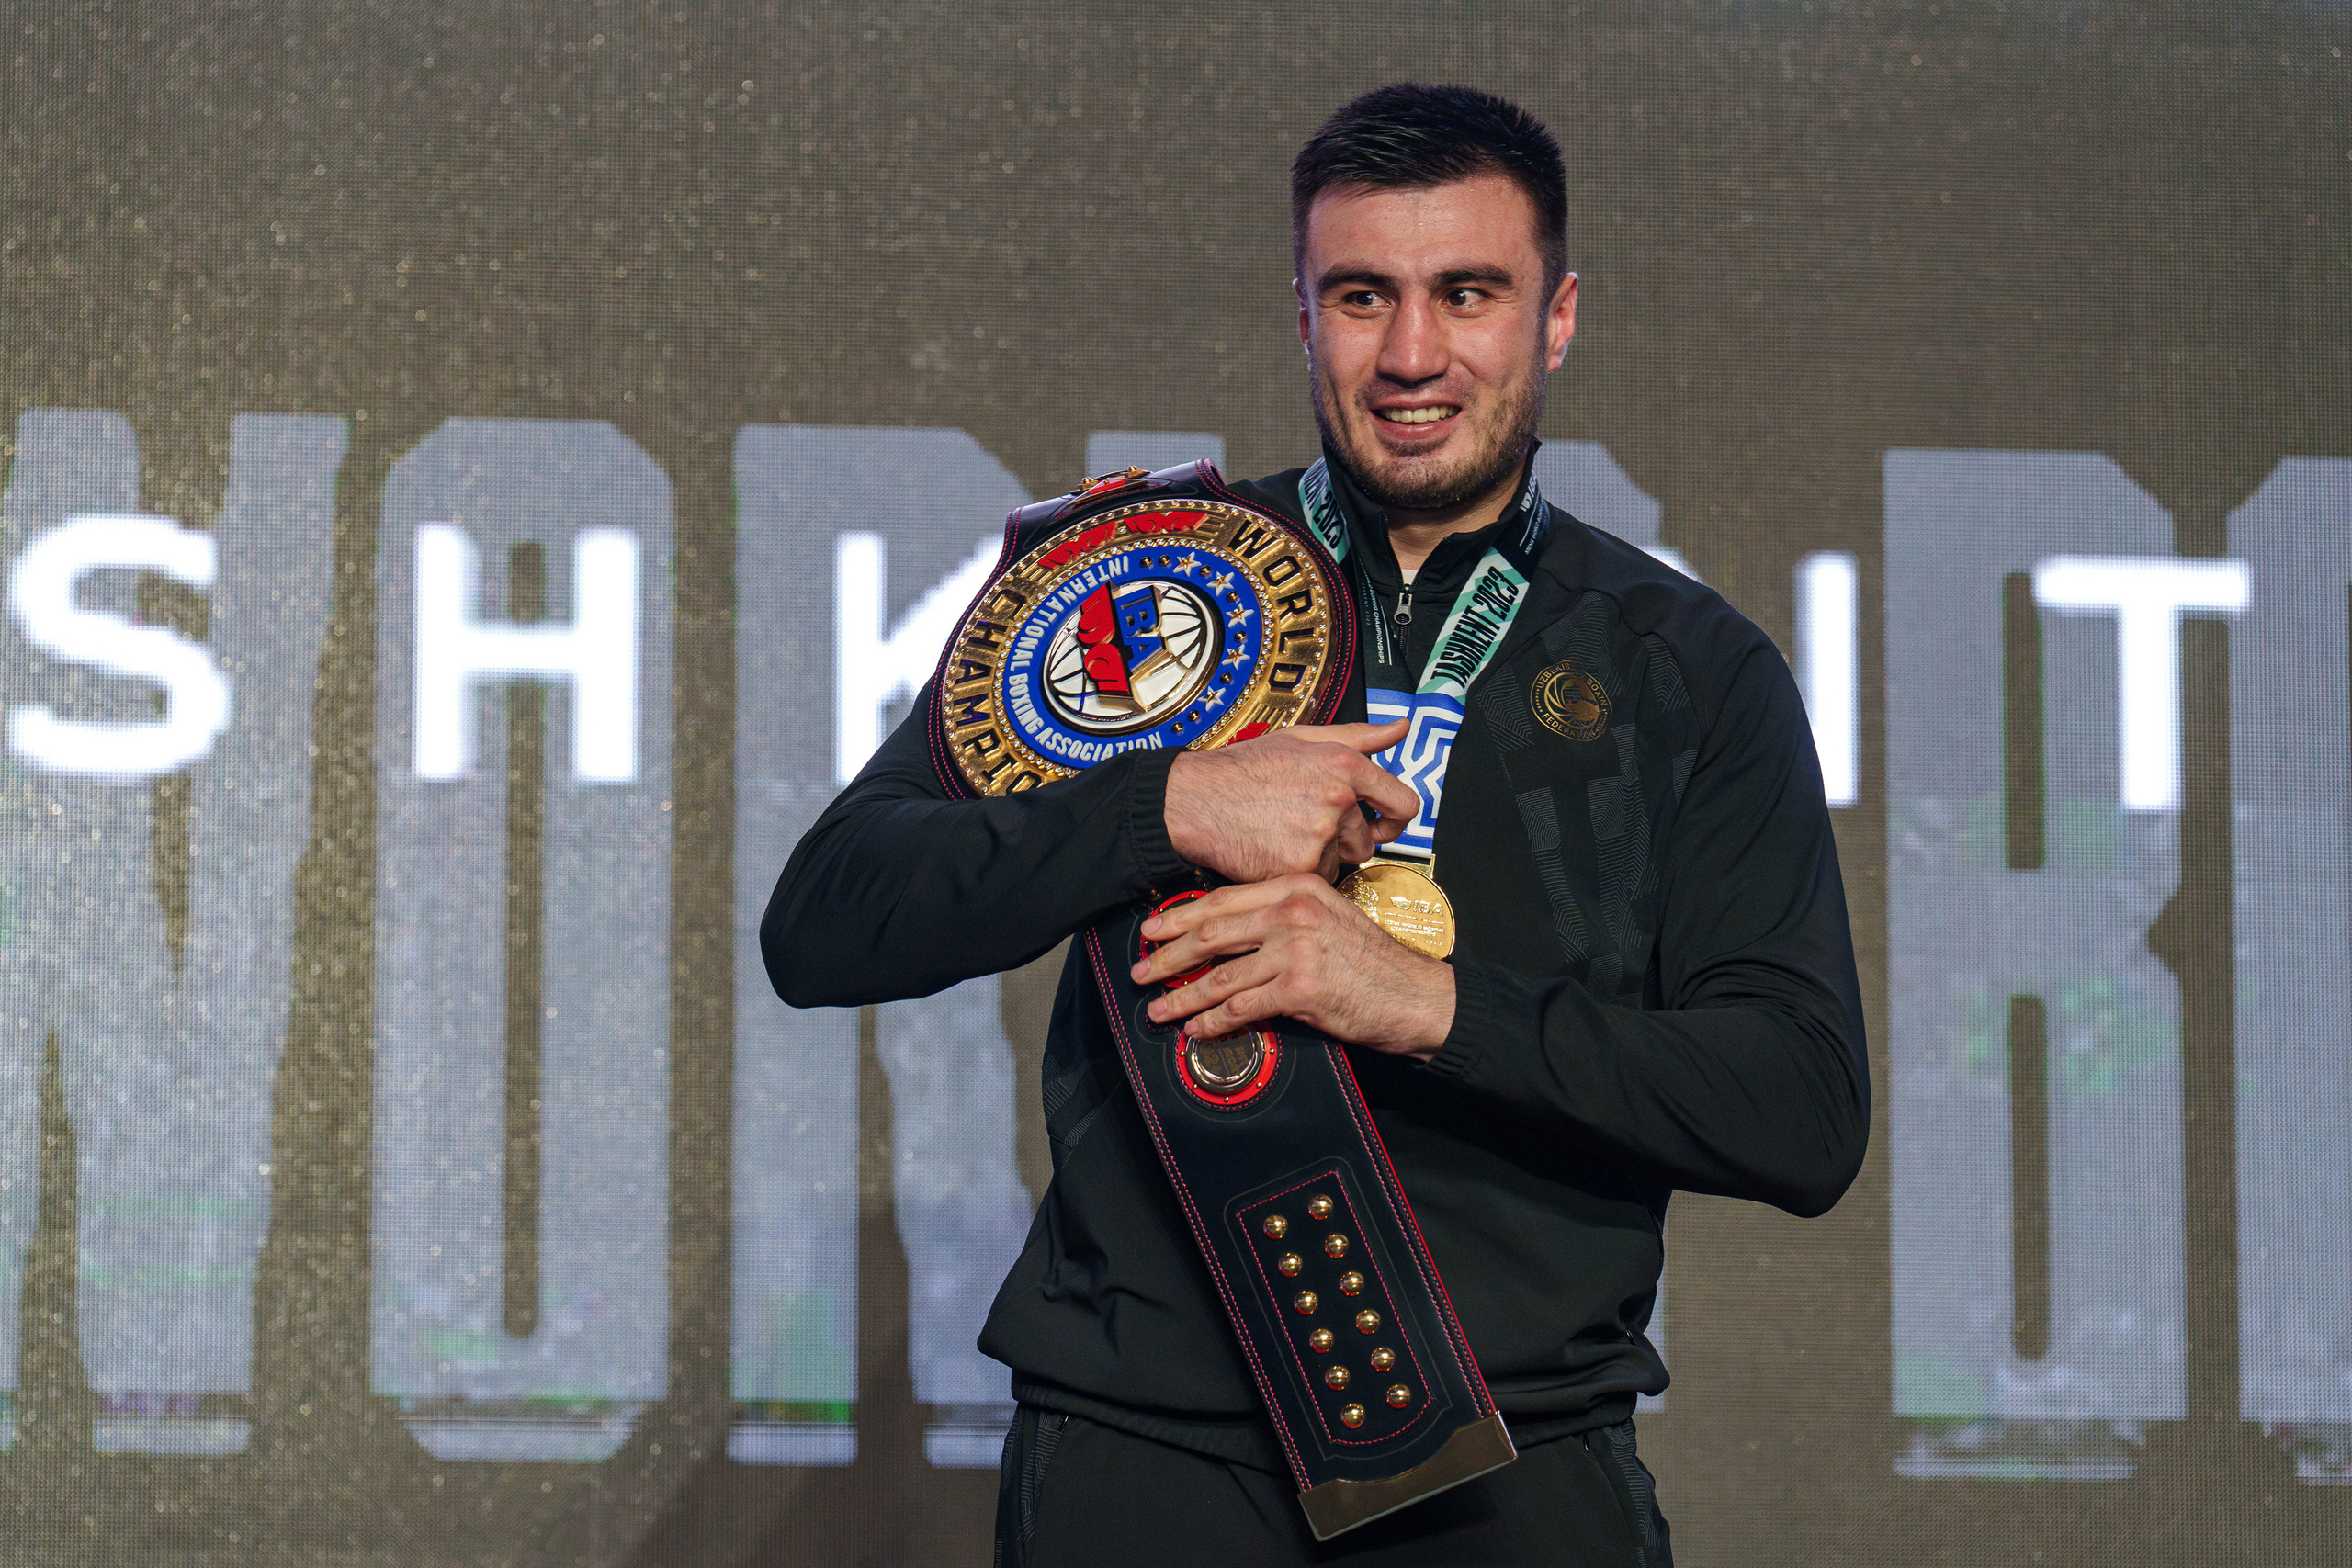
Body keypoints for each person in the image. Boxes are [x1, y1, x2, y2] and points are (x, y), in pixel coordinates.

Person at [763, 83, 1867, 1566]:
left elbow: (1798, 1108)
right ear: (1303, 315)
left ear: (1556, 317)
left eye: (1466, 293)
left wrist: (1416, 1003)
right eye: (1363, 296)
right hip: (1144, 1459)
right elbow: (827, 918)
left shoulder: (1687, 667)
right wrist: (1162, 805)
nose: (1413, 354)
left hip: (1512, 1459)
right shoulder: (1141, 591)